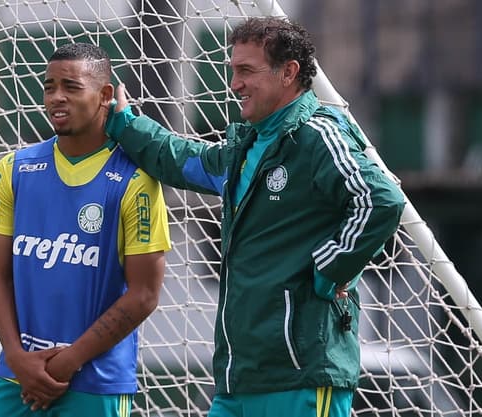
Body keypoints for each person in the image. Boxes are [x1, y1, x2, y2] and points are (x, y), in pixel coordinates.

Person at [105, 16, 405, 417]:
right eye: (233, 71)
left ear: (289, 73)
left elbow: (381, 199)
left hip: (301, 374)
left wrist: (330, 269)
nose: (235, 84)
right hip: (238, 378)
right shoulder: (246, 148)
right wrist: (127, 124)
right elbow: (181, 160)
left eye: (246, 71)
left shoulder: (318, 134)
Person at [0, 42, 171, 417]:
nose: (56, 97)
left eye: (70, 86)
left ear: (103, 96)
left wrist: (68, 362)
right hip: (18, 378)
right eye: (49, 87)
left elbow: (145, 294)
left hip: (94, 383)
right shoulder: (14, 169)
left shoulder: (135, 179)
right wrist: (18, 359)